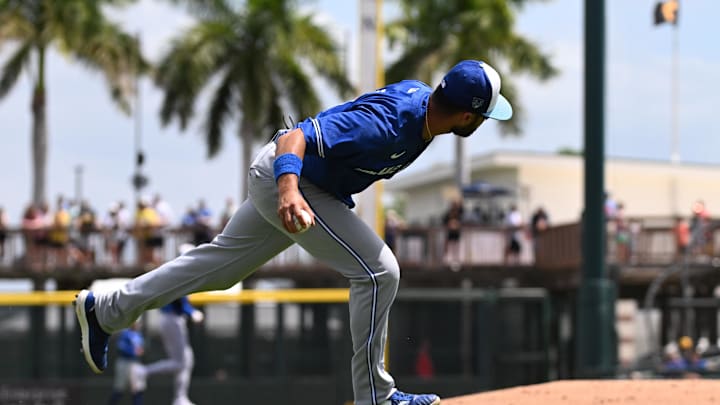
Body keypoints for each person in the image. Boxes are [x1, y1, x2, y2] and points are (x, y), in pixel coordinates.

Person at [75, 59, 513, 405]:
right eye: (483, 115)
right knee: (380, 272)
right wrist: (288, 191)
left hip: (302, 183)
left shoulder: (422, 111)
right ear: (466, 114)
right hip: (288, 179)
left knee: (219, 268)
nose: (482, 123)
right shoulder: (393, 122)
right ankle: (376, 398)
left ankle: (106, 310)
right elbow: (296, 138)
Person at [133, 243, 204, 405]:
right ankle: (144, 371)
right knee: (180, 362)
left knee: (187, 359)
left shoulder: (180, 270)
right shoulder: (180, 270)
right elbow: (178, 296)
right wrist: (191, 313)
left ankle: (180, 397)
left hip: (171, 319)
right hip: (172, 318)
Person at [108, 320, 146, 405]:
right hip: (124, 362)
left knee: (137, 389)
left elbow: (141, 348)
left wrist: (140, 351)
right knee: (119, 389)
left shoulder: (139, 335)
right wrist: (133, 351)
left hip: (135, 363)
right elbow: (120, 346)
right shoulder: (125, 333)